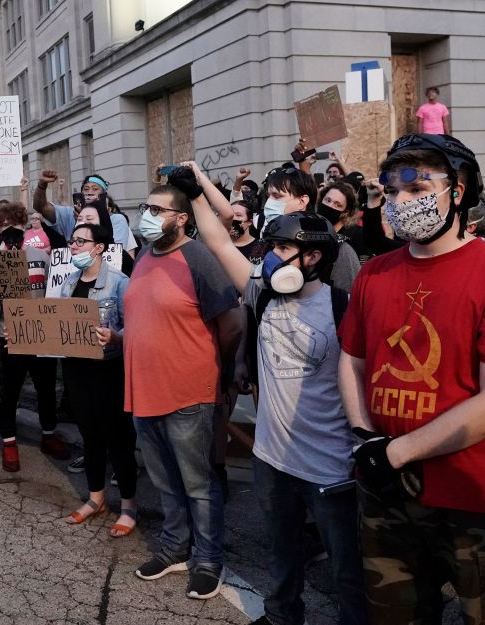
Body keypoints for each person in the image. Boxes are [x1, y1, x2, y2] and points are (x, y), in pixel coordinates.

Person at [337, 133, 485, 624]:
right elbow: (351, 361)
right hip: (386, 495)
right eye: (392, 192)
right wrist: (363, 437)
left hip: (473, 495)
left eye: (417, 189)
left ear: (457, 192)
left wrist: (394, 452)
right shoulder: (374, 274)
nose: (400, 202)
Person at [192, 166, 369, 624]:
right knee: (282, 555)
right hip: (272, 459)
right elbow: (217, 241)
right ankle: (281, 616)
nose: (271, 257)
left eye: (283, 249)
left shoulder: (341, 306)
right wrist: (194, 192)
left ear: (311, 257)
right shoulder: (261, 292)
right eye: (270, 247)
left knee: (347, 567)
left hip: (330, 466)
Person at [123, 174, 242, 600]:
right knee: (166, 481)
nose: (147, 217)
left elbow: (231, 324)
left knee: (198, 483)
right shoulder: (142, 258)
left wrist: (216, 370)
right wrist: (118, 339)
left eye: (156, 211)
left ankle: (208, 559)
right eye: (145, 209)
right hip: (143, 393)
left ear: (182, 218)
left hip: (189, 393)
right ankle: (175, 548)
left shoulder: (199, 258)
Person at [59, 222, 139, 537]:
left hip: (109, 372)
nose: (74, 246)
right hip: (77, 370)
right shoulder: (68, 283)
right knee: (89, 435)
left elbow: (136, 326)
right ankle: (96, 499)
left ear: (99, 248)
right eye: (72, 241)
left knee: (118, 439)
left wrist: (116, 337)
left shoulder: (119, 283)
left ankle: (129, 506)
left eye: (81, 241)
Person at [0, 201, 70, 471]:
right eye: (5, 226)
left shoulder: (40, 255)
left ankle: (48, 434)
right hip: (8, 333)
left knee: (45, 388)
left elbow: (51, 292)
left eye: (15, 226)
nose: (11, 232)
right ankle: (8, 441)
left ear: (23, 226)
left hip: (40, 333)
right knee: (9, 391)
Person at [33, 170, 139, 258]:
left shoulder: (117, 220)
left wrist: (85, 222)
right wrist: (42, 185)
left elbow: (114, 253)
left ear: (104, 195)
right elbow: (41, 207)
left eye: (95, 189)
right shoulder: (69, 214)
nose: (90, 192)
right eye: (86, 189)